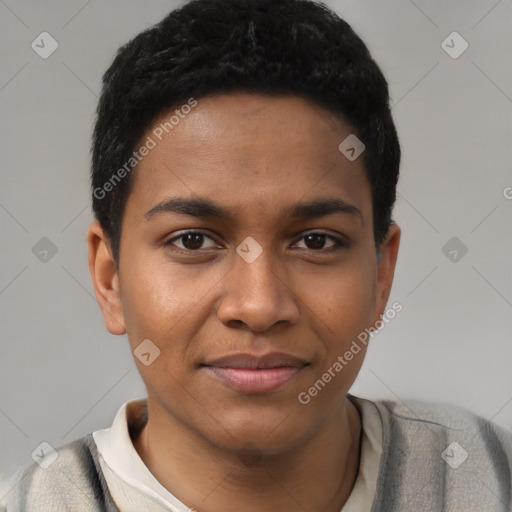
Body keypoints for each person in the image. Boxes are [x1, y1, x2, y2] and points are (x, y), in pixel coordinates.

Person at [2, 0, 511, 510]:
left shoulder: (487, 479)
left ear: (380, 274)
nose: (259, 306)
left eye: (316, 241)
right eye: (193, 240)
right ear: (109, 279)